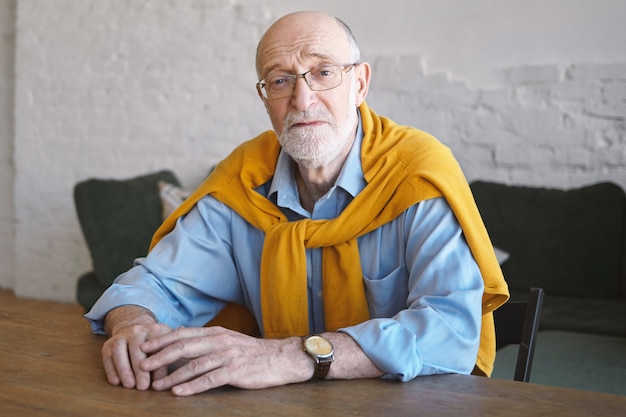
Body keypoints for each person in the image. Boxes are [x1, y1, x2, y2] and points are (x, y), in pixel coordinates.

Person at [85, 10, 509, 397]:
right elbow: (157, 283)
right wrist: (132, 325)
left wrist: (291, 355)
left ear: (359, 84)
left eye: (323, 73)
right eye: (280, 80)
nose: (302, 100)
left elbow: (450, 330)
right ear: (264, 96)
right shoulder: (243, 180)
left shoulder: (416, 175)